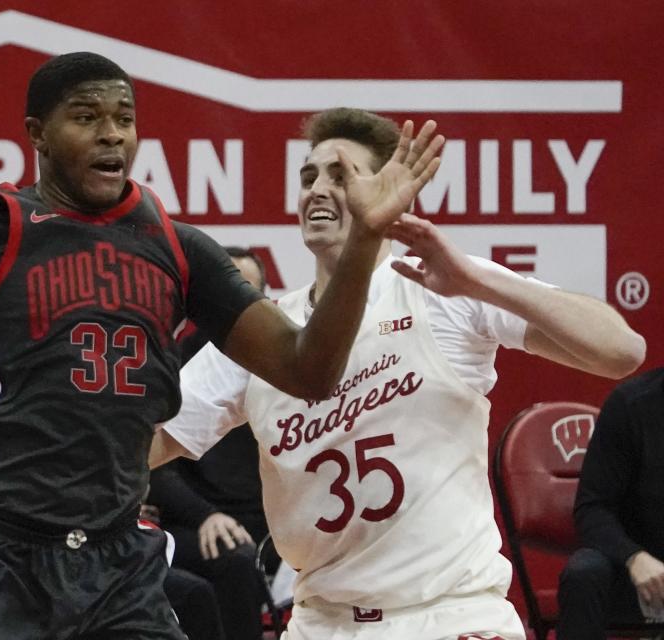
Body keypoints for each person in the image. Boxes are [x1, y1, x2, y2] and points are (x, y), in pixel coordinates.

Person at [0, 52, 444, 639]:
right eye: (87, 117)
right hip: (0, 558)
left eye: (124, 118)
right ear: (37, 135)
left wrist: (363, 244)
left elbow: (309, 371)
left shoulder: (178, 249)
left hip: (120, 565)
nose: (111, 135)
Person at [151, 107, 646, 640]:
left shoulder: (442, 288)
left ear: (391, 188)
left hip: (452, 616)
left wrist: (482, 284)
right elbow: (148, 442)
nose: (318, 189)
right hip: (322, 621)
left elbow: (620, 351)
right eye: (308, 176)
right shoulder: (268, 331)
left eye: (341, 176)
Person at [150, 245, 270, 640]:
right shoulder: (173, 362)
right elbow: (153, 460)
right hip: (195, 521)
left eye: (247, 293)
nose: (236, 304)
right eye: (229, 290)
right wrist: (205, 515)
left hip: (273, 521)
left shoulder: (285, 363)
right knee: (233, 561)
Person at [557, 367, 664, 638]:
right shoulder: (632, 403)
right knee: (584, 572)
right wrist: (633, 557)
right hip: (640, 572)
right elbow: (591, 507)